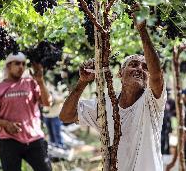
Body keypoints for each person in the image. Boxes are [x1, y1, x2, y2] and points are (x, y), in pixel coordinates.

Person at [59, 11, 166, 171]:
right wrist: (82, 83)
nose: (139, 69)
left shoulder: (152, 102)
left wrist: (142, 30)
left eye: (145, 68)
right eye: (134, 64)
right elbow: (66, 116)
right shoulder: (105, 104)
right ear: (120, 74)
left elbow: (157, 75)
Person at [0, 52, 53, 171]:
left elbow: (47, 103)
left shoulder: (32, 83)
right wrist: (6, 124)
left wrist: (40, 81)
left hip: (35, 139)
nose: (21, 66)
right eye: (17, 63)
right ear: (8, 66)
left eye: (23, 64)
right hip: (9, 142)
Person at [161, 88, 175, 155]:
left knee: (167, 136)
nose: (168, 95)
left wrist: (170, 114)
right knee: (162, 137)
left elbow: (175, 112)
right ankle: (162, 151)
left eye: (169, 94)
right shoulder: (161, 100)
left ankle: (167, 151)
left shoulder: (171, 101)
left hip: (168, 122)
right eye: (168, 93)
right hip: (162, 122)